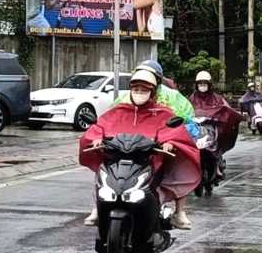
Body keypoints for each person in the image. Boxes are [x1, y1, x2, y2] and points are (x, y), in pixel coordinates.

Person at [84, 60, 200, 228]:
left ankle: (179, 212)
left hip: (152, 155)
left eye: (144, 88)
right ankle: (97, 208)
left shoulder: (169, 103)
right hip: (122, 151)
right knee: (102, 172)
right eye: (136, 88)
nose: (139, 92)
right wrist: (98, 137)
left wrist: (170, 142)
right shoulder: (122, 103)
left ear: (155, 84)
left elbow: (177, 125)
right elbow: (105, 123)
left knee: (176, 168)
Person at [188, 70, 243, 181]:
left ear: (209, 84)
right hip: (196, 129)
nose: (202, 86)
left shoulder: (217, 98)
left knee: (217, 141)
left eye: (204, 83)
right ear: (196, 85)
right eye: (200, 83)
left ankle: (217, 163)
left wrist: (231, 116)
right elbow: (184, 110)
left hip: (212, 128)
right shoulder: (191, 99)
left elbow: (226, 109)